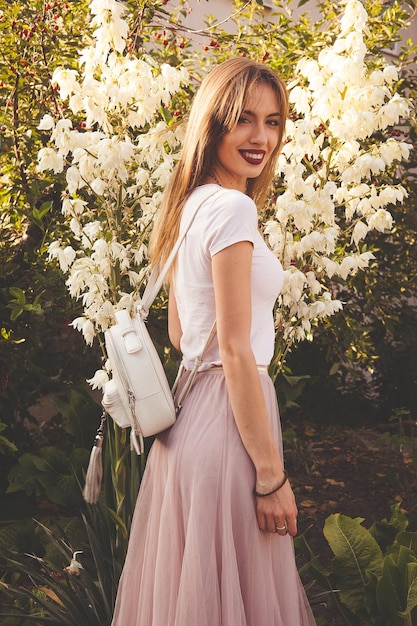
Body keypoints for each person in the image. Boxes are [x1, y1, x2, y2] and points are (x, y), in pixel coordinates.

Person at [111, 57, 316, 626]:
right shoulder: (232, 207)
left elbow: (183, 334)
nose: (261, 138)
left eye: (273, 122)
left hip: (189, 426)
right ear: (213, 125)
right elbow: (233, 349)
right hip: (229, 424)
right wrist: (272, 477)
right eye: (243, 119)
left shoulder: (193, 203)